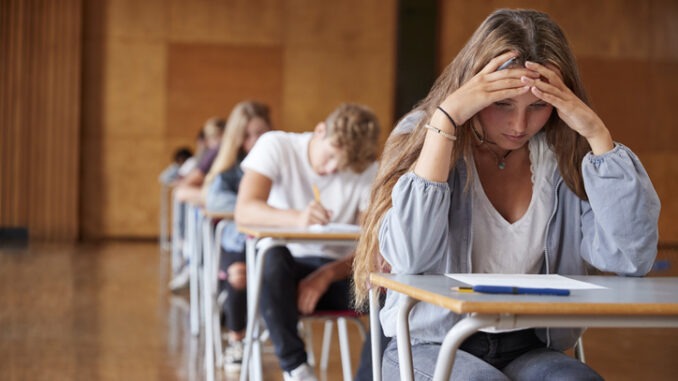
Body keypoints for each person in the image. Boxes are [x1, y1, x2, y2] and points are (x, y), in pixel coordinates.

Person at [352, 8, 660, 381]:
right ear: (472, 91)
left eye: (539, 106)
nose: (519, 125)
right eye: (501, 104)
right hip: (429, 345)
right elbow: (410, 257)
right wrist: (446, 120)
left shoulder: (566, 154)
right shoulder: (426, 135)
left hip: (530, 344)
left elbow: (630, 258)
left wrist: (597, 135)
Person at [235, 103, 381, 381]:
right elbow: (244, 210)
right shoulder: (276, 145)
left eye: (344, 165)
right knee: (272, 256)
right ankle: (297, 369)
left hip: (338, 271)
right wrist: (297, 218)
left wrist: (325, 275)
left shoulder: (368, 169)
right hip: (282, 275)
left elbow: (369, 248)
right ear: (319, 130)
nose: (332, 169)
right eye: (330, 156)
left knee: (387, 293)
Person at [202, 100, 272, 372]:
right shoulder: (230, 170)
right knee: (240, 273)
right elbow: (215, 200)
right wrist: (257, 207)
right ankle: (237, 339)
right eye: (249, 135)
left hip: (270, 239)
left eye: (261, 133)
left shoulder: (277, 161)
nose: (255, 140)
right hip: (237, 241)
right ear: (238, 138)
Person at [169, 117, 226, 291]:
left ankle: (191, 267)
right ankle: (191, 266)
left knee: (185, 198)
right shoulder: (213, 152)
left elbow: (193, 179)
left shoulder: (216, 151)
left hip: (219, 206)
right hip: (218, 203)